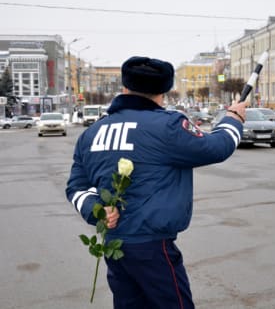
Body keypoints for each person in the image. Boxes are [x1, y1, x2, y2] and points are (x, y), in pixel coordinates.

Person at [65, 56, 246, 309]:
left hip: (114, 245)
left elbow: (76, 187)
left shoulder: (92, 133)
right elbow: (217, 147)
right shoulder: (167, 126)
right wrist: (233, 119)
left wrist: (97, 210)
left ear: (125, 87)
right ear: (163, 91)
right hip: (152, 248)